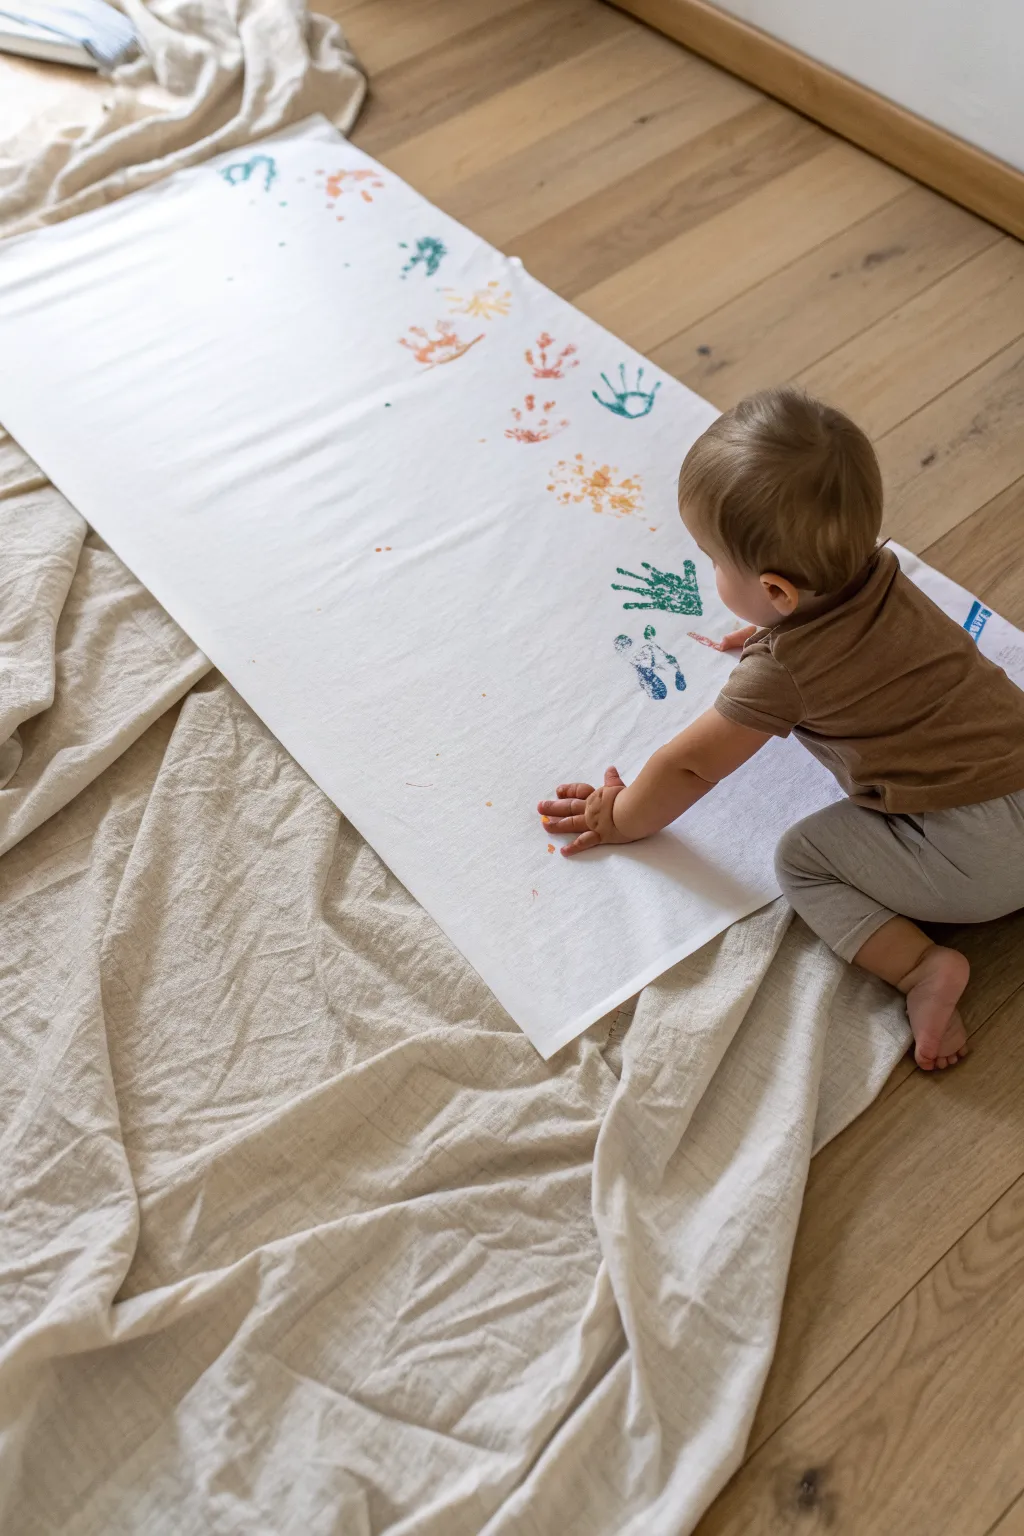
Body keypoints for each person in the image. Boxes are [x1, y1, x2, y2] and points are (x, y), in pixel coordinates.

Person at [538, 387, 1024, 1071]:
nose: (711, 571)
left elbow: (689, 766)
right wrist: (774, 628)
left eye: (714, 562)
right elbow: (859, 644)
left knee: (802, 858)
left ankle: (920, 969)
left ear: (776, 592)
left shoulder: (783, 674)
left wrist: (619, 816)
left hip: (980, 862)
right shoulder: (884, 570)